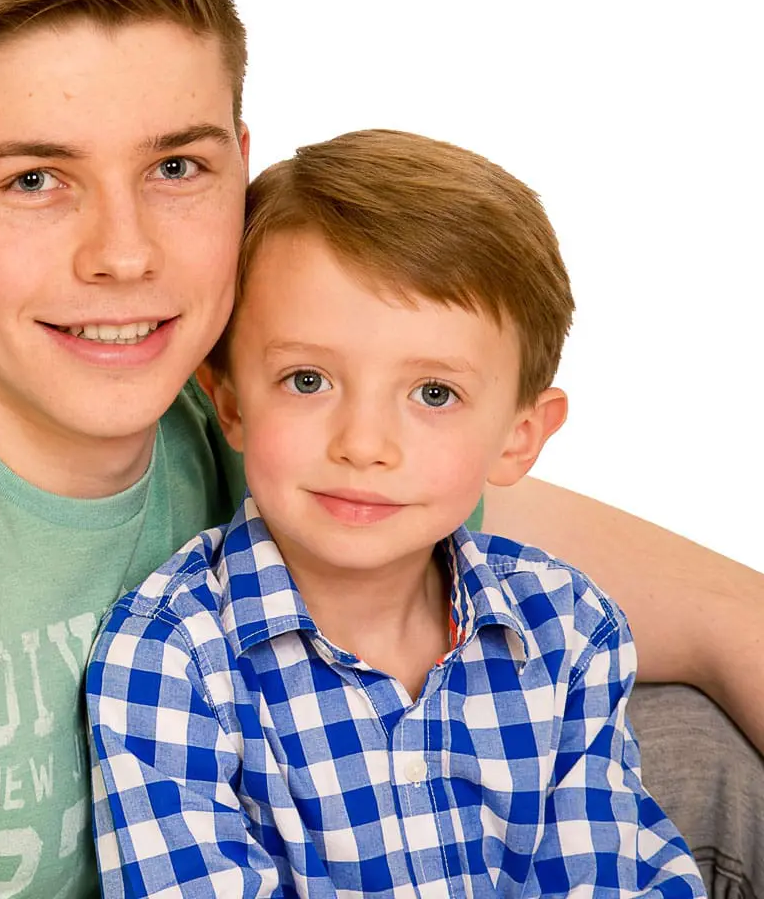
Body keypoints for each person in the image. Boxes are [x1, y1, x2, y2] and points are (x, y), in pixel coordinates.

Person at [0, 0, 763, 898]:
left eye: (175, 168)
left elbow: (726, 618)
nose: (124, 254)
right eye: (36, 179)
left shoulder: (276, 432)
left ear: (240, 160)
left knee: (693, 747)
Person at [86, 129, 703, 898]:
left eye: (433, 394)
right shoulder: (173, 656)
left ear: (519, 438)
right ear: (232, 405)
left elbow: (609, 876)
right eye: (308, 380)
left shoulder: (568, 628)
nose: (364, 445)